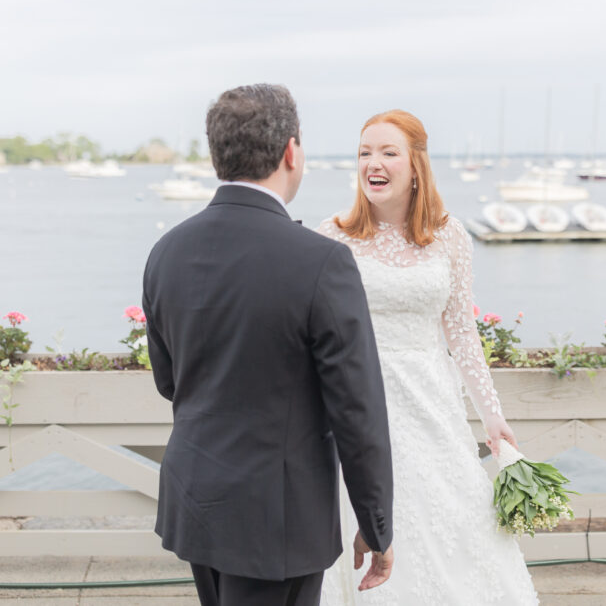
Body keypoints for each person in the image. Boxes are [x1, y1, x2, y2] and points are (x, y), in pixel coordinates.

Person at [142, 84, 395, 606]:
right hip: (277, 517)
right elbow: (357, 410)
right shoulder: (321, 262)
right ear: (290, 152)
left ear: (217, 155)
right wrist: (376, 523)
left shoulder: (166, 252)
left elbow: (170, 382)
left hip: (195, 503)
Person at [318, 110, 539, 605]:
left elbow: (461, 333)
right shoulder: (332, 235)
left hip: (431, 402)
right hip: (359, 400)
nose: (373, 163)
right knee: (367, 518)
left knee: (452, 518)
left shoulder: (449, 235)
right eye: (364, 152)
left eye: (388, 152)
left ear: (416, 164)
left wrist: (492, 415)